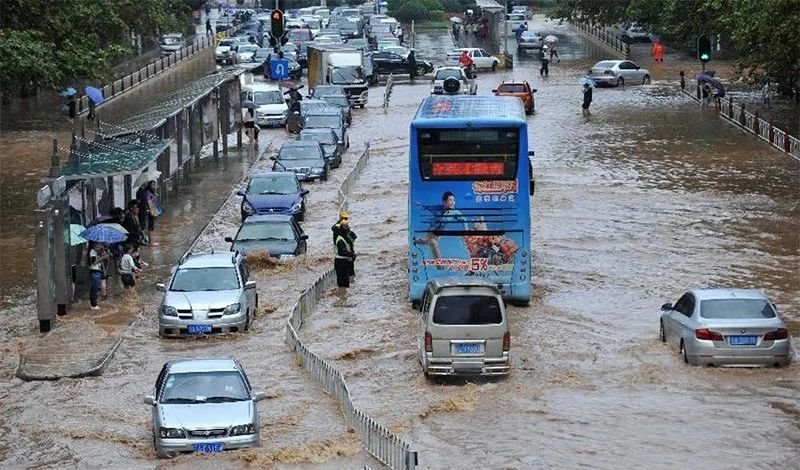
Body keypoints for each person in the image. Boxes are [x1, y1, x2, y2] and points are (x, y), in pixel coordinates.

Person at [332, 211, 356, 288]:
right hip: (341, 261)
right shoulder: (339, 234)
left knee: (347, 281)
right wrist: (351, 254)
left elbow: (353, 238)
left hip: (347, 259)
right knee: (343, 283)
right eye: (344, 218)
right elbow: (341, 251)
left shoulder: (346, 235)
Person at [88, 242, 106, 310]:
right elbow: (94, 262)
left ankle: (94, 304)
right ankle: (93, 305)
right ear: (96, 245)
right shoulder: (92, 252)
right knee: (94, 288)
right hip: (94, 271)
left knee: (96, 288)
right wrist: (101, 258)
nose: (101, 246)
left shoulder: (97, 252)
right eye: (100, 244)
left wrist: (102, 253)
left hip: (98, 271)